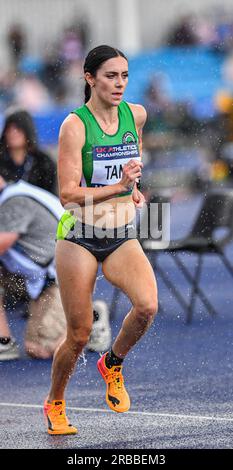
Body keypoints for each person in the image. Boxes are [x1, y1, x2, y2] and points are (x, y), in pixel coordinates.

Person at [44, 45, 158, 435]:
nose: (120, 84)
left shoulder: (136, 114)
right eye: (111, 76)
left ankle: (112, 362)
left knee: (146, 307)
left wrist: (134, 187)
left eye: (125, 75)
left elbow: (130, 158)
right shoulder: (74, 126)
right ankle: (55, 401)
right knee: (78, 334)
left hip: (121, 234)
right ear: (90, 78)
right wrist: (118, 187)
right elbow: (68, 194)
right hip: (79, 237)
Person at [0, 176, 66, 360]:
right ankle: (3, 341)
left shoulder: (14, 202)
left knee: (39, 349)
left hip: (61, 279)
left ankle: (87, 321)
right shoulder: (10, 197)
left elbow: (2, 244)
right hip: (35, 277)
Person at [0, 109, 56, 194]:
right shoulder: (2, 161)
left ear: (27, 131)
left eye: (18, 129)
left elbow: (49, 197)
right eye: (9, 129)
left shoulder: (44, 163)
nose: (13, 133)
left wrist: (7, 187)